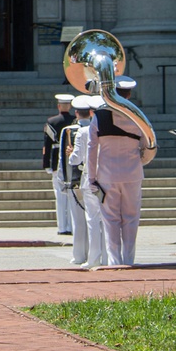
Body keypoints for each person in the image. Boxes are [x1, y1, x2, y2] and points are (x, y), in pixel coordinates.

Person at [86, 75, 147, 266]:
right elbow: (148, 145)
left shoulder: (99, 115)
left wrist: (92, 177)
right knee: (130, 218)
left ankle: (115, 261)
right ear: (129, 94)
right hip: (132, 173)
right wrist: (138, 162)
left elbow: (91, 148)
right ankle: (129, 259)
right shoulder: (138, 116)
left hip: (107, 174)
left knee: (110, 219)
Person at [77, 95, 107, 268]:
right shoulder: (111, 128)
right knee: (108, 220)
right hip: (108, 176)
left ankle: (93, 258)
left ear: (90, 112)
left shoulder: (84, 131)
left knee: (93, 220)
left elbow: (77, 159)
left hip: (91, 177)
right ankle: (108, 258)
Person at [62, 95, 92, 265]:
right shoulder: (97, 128)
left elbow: (66, 160)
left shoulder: (69, 130)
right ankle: (95, 253)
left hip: (76, 179)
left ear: (76, 112)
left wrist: (63, 180)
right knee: (95, 221)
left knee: (78, 220)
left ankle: (79, 255)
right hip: (95, 179)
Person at [43, 94, 76, 235]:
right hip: (72, 161)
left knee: (60, 196)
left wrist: (46, 165)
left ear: (59, 106)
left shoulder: (51, 122)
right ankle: (73, 227)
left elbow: (47, 145)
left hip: (57, 162)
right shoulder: (74, 121)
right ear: (69, 106)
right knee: (72, 196)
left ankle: (62, 227)